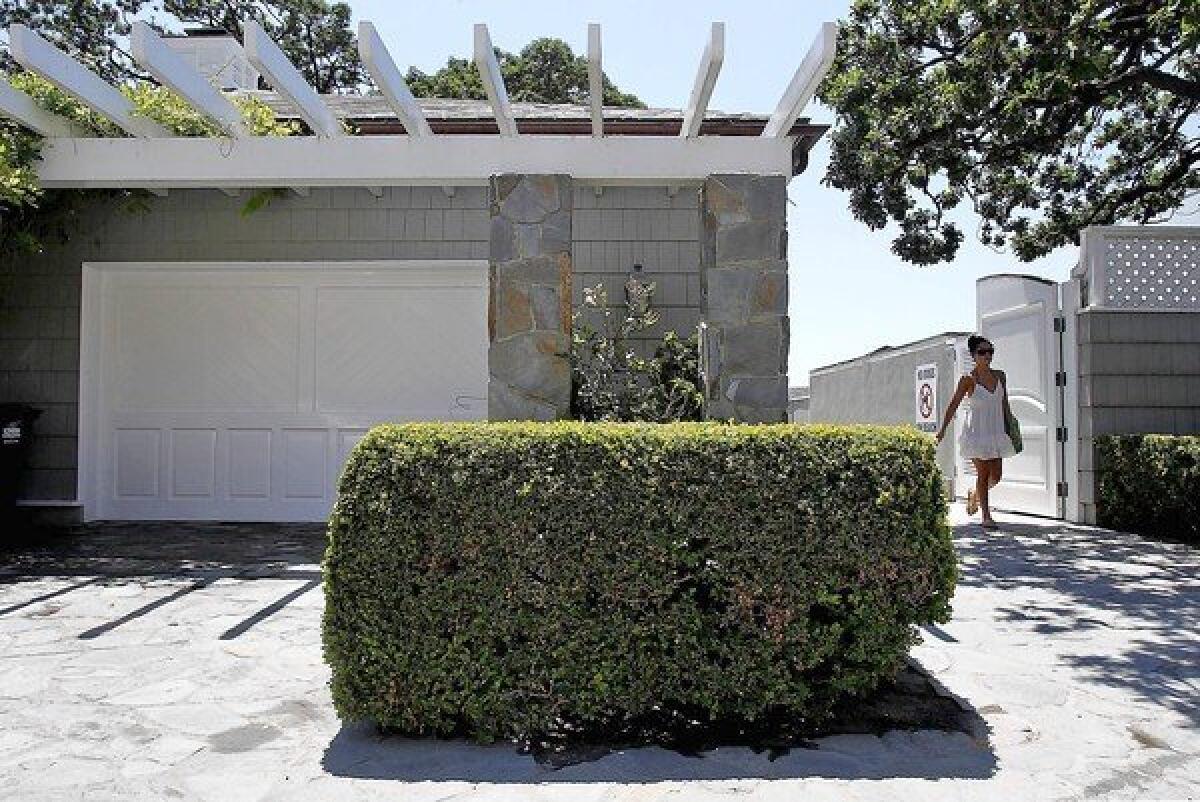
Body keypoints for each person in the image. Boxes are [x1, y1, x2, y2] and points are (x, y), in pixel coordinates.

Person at [936, 335, 1016, 530]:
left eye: (990, 352)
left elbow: (1004, 403)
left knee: (996, 476)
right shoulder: (968, 380)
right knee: (983, 472)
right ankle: (986, 516)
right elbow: (953, 405)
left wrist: (1011, 425)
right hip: (976, 434)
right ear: (973, 355)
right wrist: (943, 430)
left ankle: (975, 495)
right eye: (982, 352)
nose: (987, 355)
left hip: (996, 431)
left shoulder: (1000, 376)